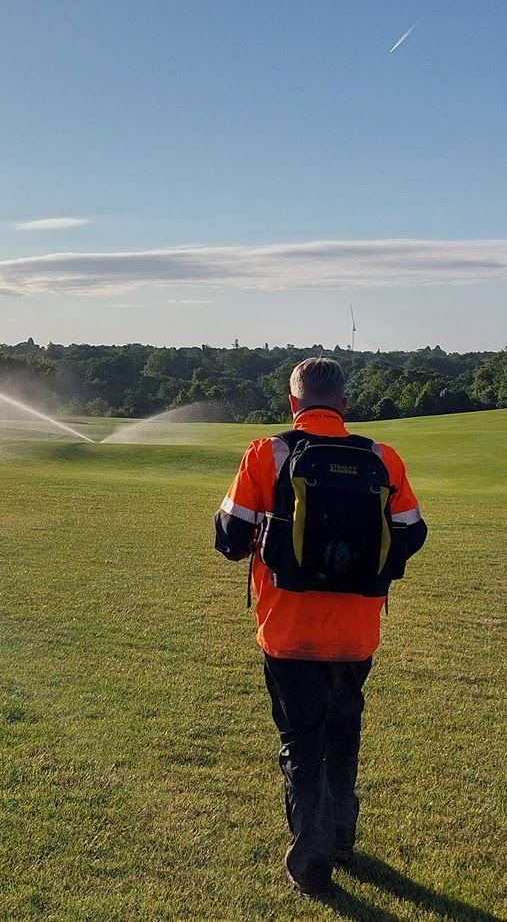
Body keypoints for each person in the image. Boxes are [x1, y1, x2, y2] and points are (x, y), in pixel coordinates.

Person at [213, 357, 427, 898]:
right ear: (345, 405)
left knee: (300, 741)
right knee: (343, 731)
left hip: (287, 633)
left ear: (293, 404)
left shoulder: (268, 452)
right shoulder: (383, 457)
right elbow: (413, 533)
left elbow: (228, 536)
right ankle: (340, 837)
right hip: (356, 635)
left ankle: (310, 856)